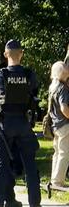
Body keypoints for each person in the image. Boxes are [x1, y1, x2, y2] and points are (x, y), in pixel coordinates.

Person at [0, 39, 40, 207]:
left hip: (5, 124)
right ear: (21, 53)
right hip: (24, 123)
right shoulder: (29, 74)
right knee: (30, 166)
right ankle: (35, 203)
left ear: (6, 54)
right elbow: (34, 92)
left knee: (0, 165)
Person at [48, 61, 69, 189]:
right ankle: (58, 182)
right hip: (64, 125)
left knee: (57, 153)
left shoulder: (53, 86)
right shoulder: (63, 88)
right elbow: (64, 108)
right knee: (64, 154)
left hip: (55, 125)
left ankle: (54, 179)